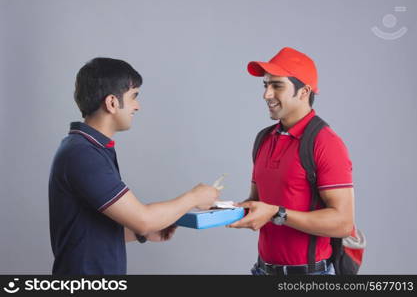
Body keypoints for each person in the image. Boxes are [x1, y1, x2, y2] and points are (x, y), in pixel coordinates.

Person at [48, 57, 220, 275]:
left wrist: (143, 234)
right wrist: (195, 197)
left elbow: (89, 232)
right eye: (133, 97)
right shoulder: (83, 154)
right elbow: (143, 219)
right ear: (112, 102)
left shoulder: (88, 148)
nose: (137, 106)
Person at [228, 47, 354, 275]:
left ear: (304, 91)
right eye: (266, 85)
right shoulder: (264, 138)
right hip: (262, 270)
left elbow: (342, 222)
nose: (266, 94)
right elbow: (257, 202)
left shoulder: (325, 143)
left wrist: (277, 213)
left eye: (277, 86)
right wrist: (222, 210)